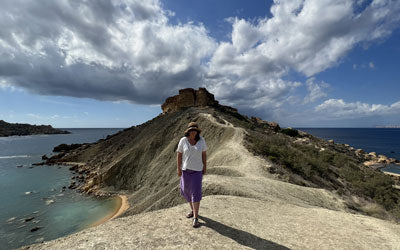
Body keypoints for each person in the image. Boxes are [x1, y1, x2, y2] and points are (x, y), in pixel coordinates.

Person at [176, 121, 207, 228]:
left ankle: (195, 218)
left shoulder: (202, 140)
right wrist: (178, 168)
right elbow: (179, 155)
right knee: (187, 191)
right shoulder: (183, 141)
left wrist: (205, 167)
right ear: (188, 131)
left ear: (197, 131)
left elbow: (204, 155)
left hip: (197, 170)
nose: (193, 132)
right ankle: (193, 211)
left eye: (195, 130)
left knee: (196, 192)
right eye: (191, 130)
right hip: (185, 171)